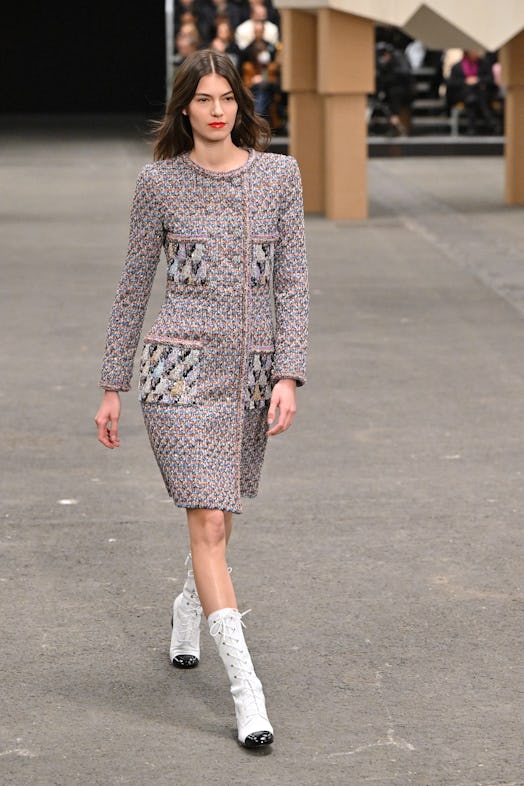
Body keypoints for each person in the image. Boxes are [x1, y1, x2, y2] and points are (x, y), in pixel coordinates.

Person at [94, 50, 308, 749]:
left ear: (238, 105)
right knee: (209, 520)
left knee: (222, 518)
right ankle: (248, 692)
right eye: (202, 99)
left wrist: (287, 373)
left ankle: (189, 608)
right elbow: (133, 286)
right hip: (178, 375)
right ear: (184, 107)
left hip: (248, 375)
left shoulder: (279, 176)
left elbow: (291, 285)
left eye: (226, 99)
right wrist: (113, 384)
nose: (216, 110)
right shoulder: (158, 183)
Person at [446, 50, 497, 134]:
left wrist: (478, 80)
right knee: (471, 96)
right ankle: (490, 121)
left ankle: (472, 127)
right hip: (463, 94)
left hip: (481, 94)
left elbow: (490, 79)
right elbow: (451, 82)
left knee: (474, 98)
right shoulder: (457, 66)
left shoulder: (484, 64)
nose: (476, 53)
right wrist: (466, 81)